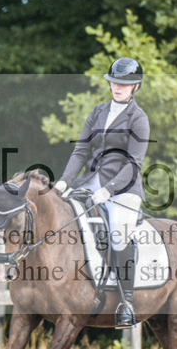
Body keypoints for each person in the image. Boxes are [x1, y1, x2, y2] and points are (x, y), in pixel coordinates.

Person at [53, 57, 150, 328]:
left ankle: (126, 301)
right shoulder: (97, 112)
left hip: (124, 188)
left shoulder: (139, 119)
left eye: (124, 84)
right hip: (90, 181)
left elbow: (134, 164)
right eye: (114, 83)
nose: (118, 87)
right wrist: (64, 182)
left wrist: (108, 190)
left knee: (118, 231)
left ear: (136, 86)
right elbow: (81, 151)